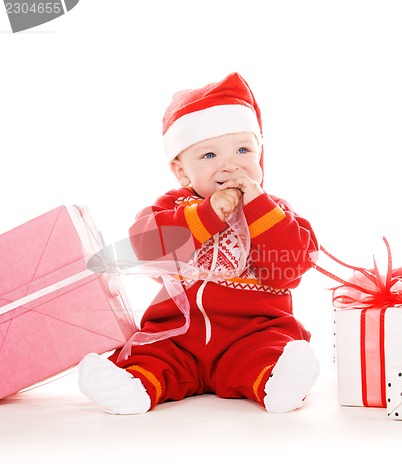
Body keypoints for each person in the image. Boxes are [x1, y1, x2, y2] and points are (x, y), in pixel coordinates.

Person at [78, 72, 320, 415]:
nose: (230, 163)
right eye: (209, 155)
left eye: (243, 149)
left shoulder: (275, 210)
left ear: (260, 156)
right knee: (155, 356)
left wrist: (258, 207)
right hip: (179, 334)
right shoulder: (171, 208)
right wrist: (209, 215)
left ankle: (280, 384)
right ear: (181, 172)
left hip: (252, 332)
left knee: (268, 352)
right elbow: (146, 247)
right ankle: (132, 389)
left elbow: (289, 270)